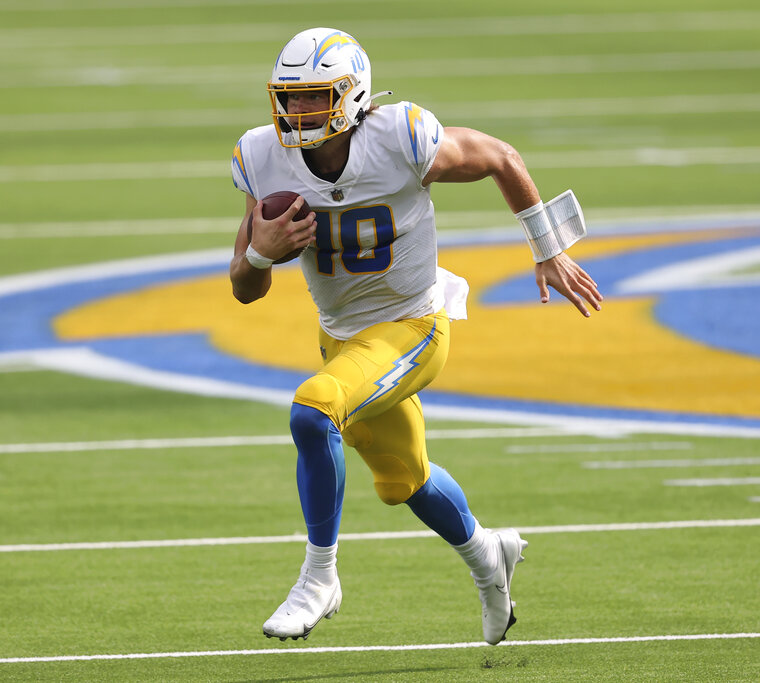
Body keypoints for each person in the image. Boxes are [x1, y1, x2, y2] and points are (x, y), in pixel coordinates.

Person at [229, 28, 602, 645]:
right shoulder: (262, 156)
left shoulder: (400, 137)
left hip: (414, 327)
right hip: (342, 340)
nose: (297, 113)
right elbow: (244, 288)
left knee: (312, 411)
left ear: (351, 97)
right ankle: (491, 558)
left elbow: (501, 158)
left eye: (314, 97)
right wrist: (262, 257)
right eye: (288, 99)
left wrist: (548, 249)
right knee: (406, 478)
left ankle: (319, 576)